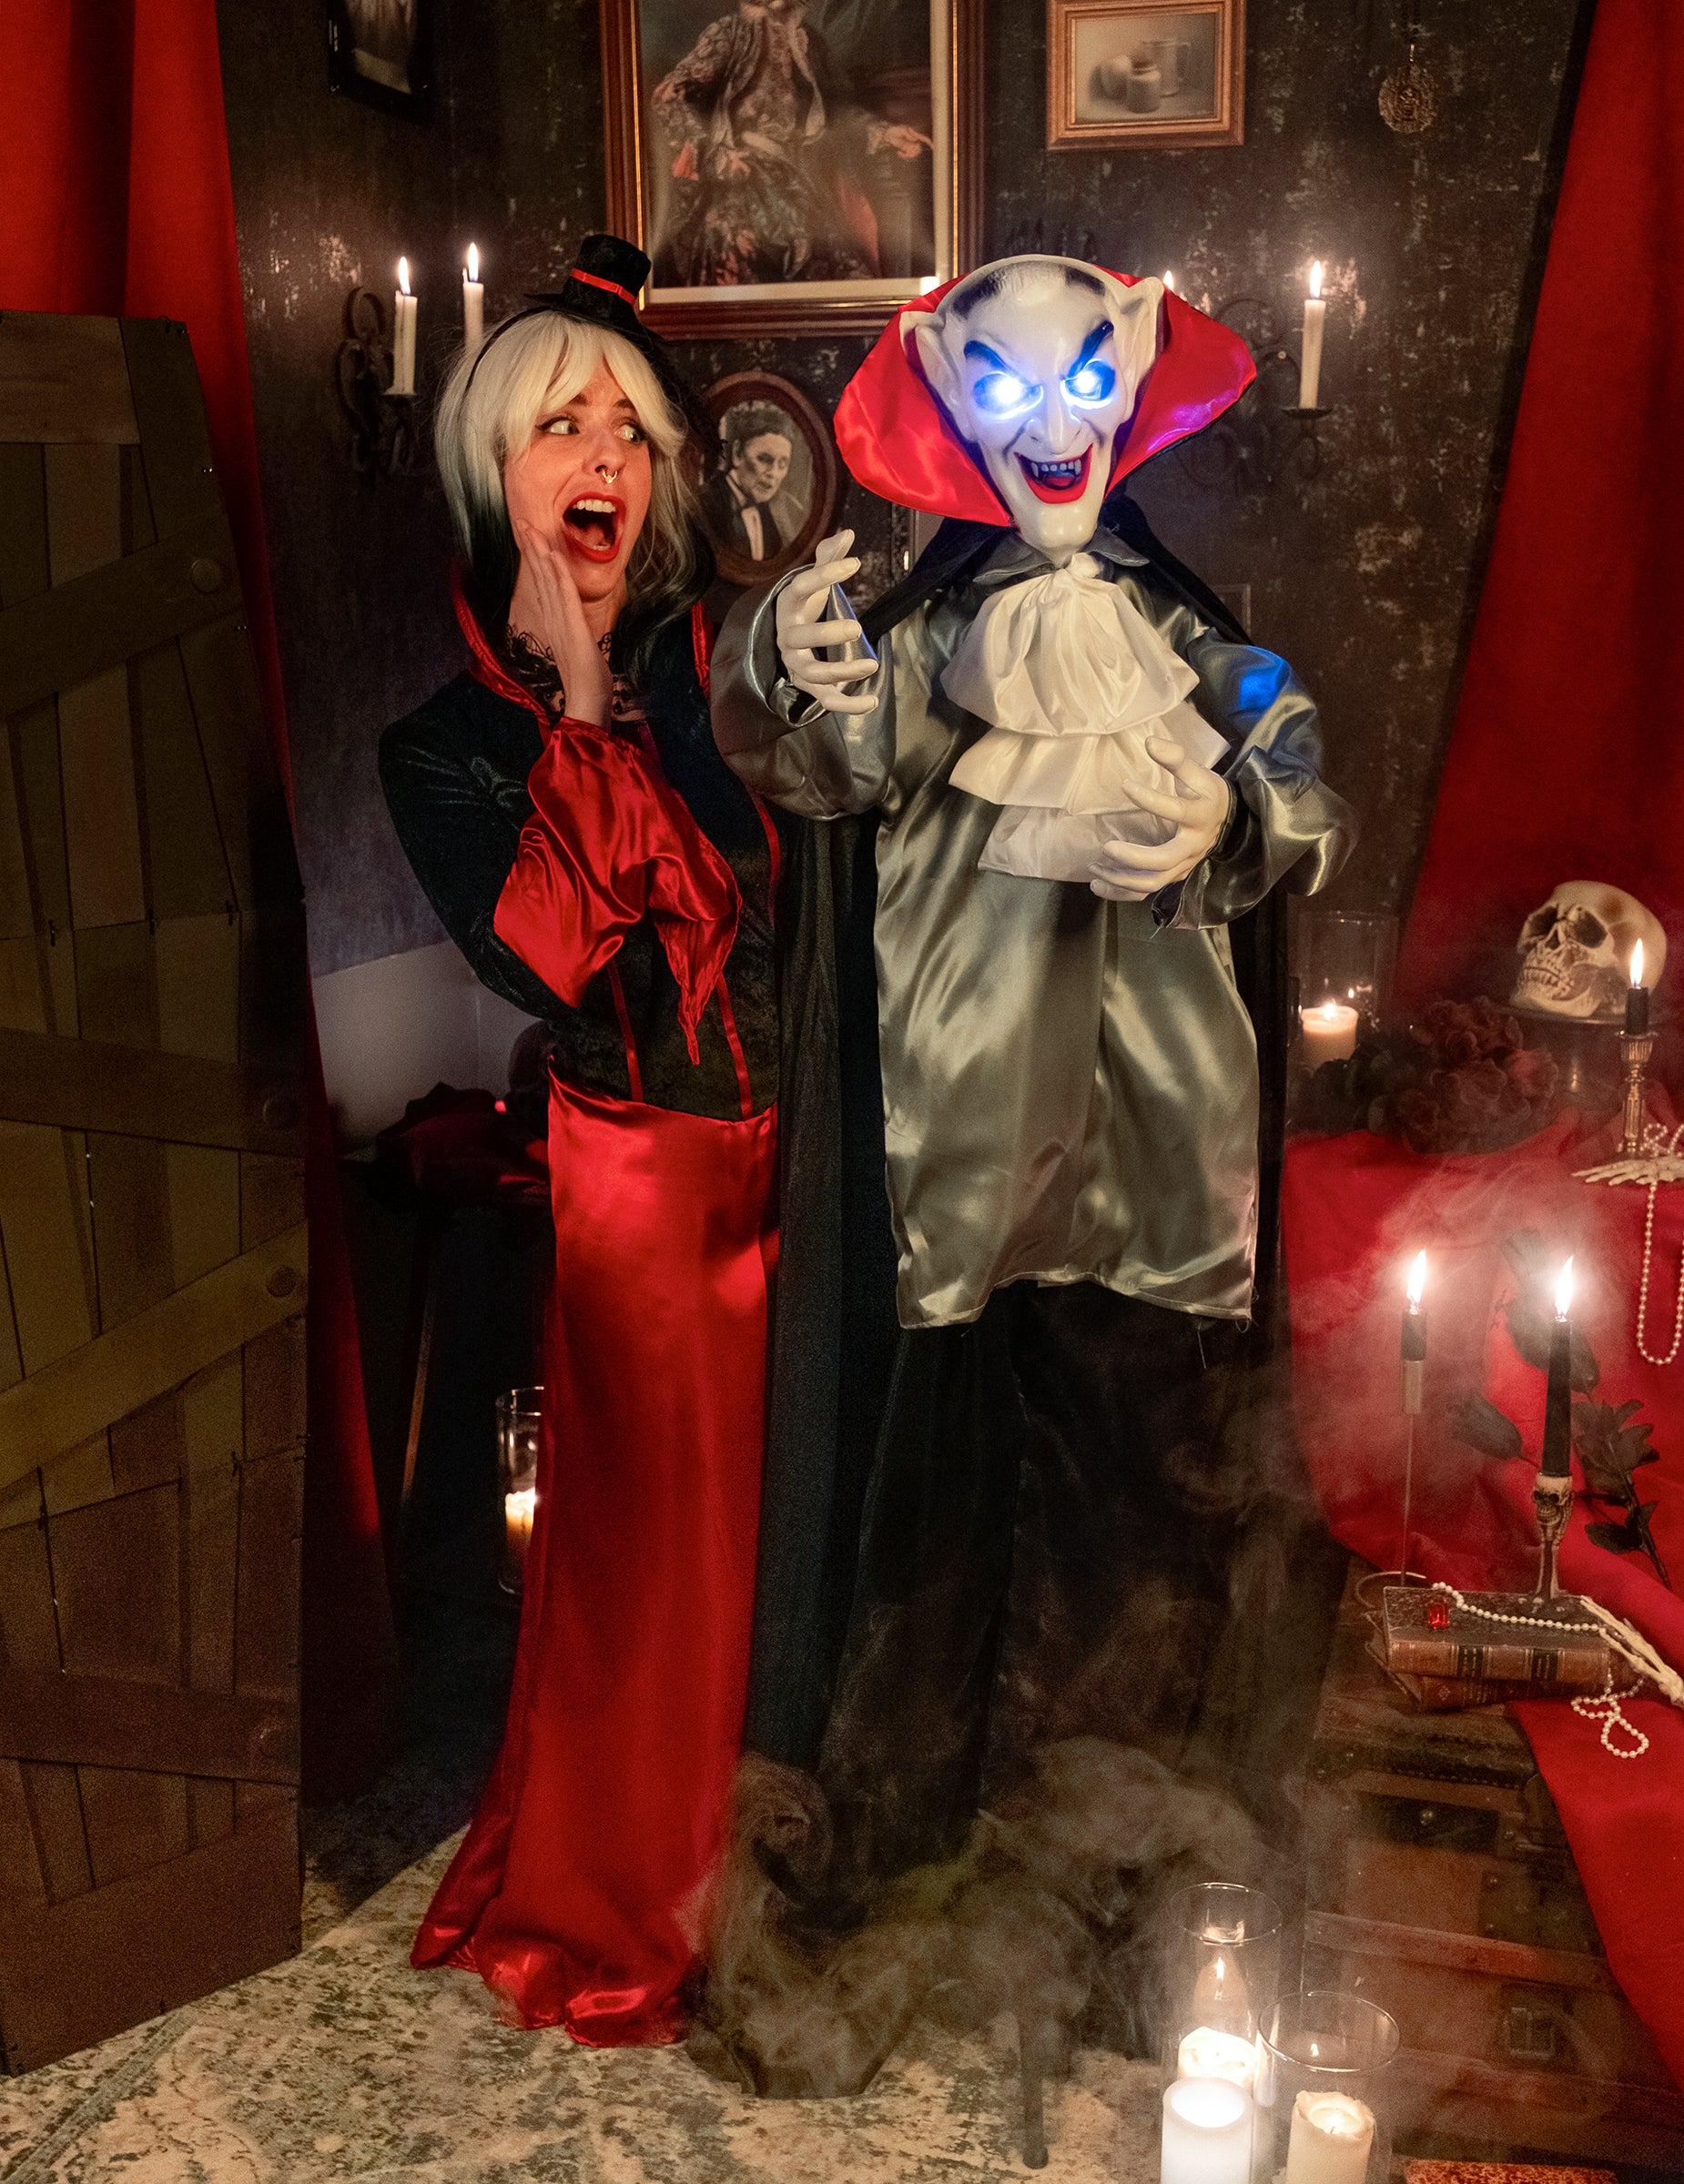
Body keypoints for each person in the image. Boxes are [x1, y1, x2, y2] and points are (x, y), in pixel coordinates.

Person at [712, 255, 1358, 1892]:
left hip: (1155, 1154)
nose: (1050, 421)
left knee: (1145, 1507)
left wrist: (1233, 811)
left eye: (1082, 376)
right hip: (962, 1153)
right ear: (946, 388)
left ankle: (1132, 1861)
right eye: (1003, 383)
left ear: (1133, 377)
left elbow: (1294, 774)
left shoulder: (1188, 634)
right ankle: (915, 1846)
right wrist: (781, 654)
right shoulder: (923, 641)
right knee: (942, 1517)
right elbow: (815, 760)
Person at [380, 235, 783, 2045]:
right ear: (494, 467)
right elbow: (541, 955)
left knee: (797, 1535)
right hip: (639, 1178)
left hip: (807, 1158)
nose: (602, 456)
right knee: (658, 1561)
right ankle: (633, 1897)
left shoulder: (734, 669)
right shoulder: (443, 748)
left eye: (631, 429)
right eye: (560, 425)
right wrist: (588, 700)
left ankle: (781, 1892)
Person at [650, 0, 928, 288]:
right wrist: (716, 155)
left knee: (837, 272)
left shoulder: (810, 42)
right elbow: (668, 97)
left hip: (799, 176)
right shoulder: (731, 32)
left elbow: (836, 113)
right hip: (742, 178)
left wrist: (885, 132)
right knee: (748, 259)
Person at [701, 405, 794, 561]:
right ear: (737, 453)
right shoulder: (705, 504)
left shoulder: (769, 512)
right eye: (764, 459)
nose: (774, 473)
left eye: (783, 464)